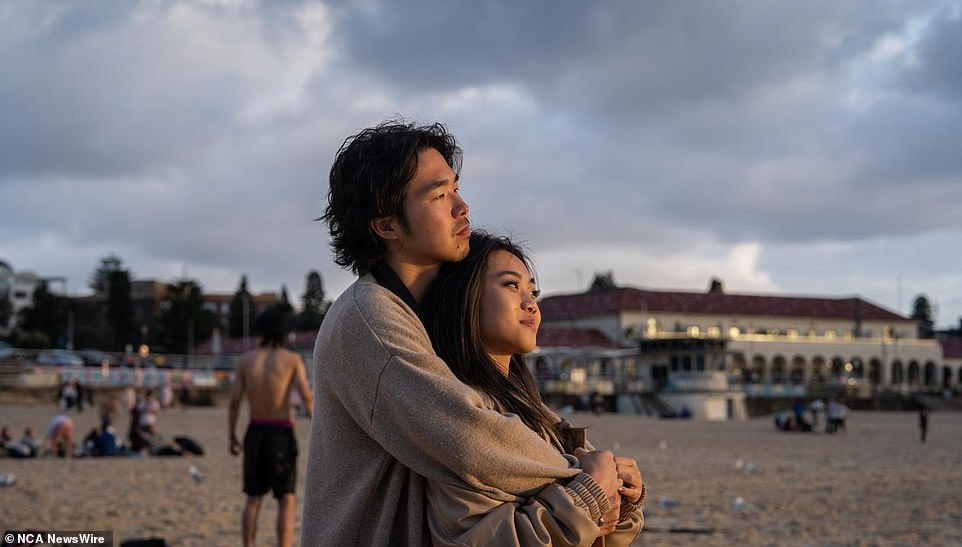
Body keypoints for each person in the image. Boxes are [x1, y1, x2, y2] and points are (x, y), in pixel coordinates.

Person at [302, 121, 620, 545]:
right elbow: (469, 435)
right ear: (386, 226)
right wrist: (585, 475)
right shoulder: (370, 318)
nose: (462, 206)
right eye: (439, 195)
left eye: (456, 188)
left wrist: (598, 467)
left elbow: (503, 405)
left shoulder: (428, 312)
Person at [424, 231, 645, 545]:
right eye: (512, 285)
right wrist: (590, 494)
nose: (531, 304)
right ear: (464, 297)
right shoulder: (461, 414)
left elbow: (598, 532)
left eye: (534, 291)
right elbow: (476, 539)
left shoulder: (536, 413)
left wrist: (621, 499)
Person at [229, 307, 313, 547]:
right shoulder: (291, 359)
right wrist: (316, 424)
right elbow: (306, 396)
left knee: (253, 498)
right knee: (286, 499)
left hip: (255, 431)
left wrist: (231, 435)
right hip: (280, 432)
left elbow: (234, 402)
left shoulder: (246, 360)